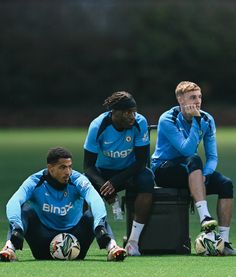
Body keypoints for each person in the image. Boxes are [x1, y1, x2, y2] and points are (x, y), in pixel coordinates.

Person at [151, 81, 236, 255]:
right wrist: (196, 122)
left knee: (226, 184)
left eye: (199, 97)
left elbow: (212, 157)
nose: (197, 102)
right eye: (192, 97)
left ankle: (224, 242)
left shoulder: (207, 119)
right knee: (194, 158)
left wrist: (205, 175)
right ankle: (205, 216)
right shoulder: (168, 119)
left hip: (193, 171)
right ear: (180, 100)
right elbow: (187, 149)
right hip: (164, 170)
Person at [0, 147, 126, 262]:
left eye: (70, 166)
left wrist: (99, 226)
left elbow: (95, 200)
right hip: (43, 242)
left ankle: (112, 248)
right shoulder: (35, 181)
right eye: (62, 167)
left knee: (93, 214)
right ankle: (10, 249)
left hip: (77, 240)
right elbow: (13, 202)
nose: (68, 172)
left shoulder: (78, 180)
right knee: (24, 210)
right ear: (51, 168)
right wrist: (17, 227)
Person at [83, 91, 154, 256]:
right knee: (85, 186)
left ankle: (133, 242)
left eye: (134, 111)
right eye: (127, 112)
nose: (132, 116)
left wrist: (115, 182)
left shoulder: (140, 123)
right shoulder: (97, 126)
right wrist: (104, 186)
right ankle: (82, 239)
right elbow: (88, 166)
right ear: (114, 112)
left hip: (130, 171)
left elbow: (141, 161)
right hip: (103, 173)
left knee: (147, 179)